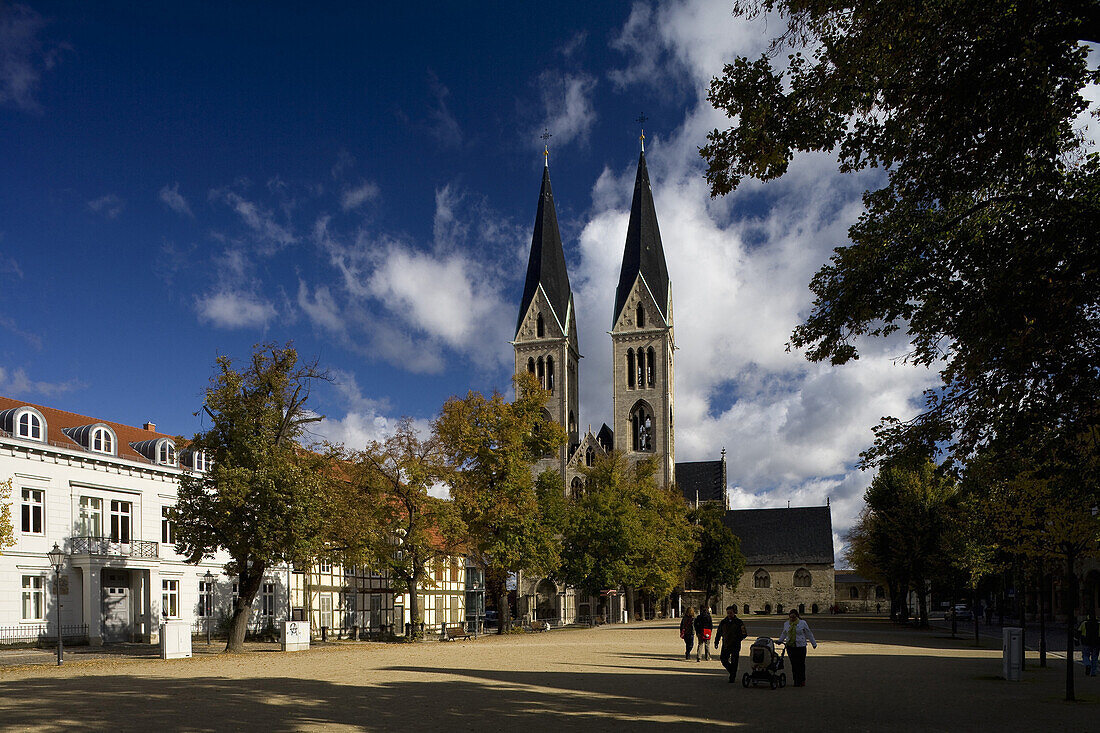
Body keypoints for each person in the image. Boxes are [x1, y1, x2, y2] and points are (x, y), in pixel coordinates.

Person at [779, 609, 817, 687]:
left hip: (801, 646)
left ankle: (802, 680)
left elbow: (808, 633)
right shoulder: (786, 624)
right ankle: (796, 680)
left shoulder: (802, 623)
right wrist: (780, 641)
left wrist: (814, 643)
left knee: (801, 664)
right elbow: (784, 633)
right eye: (791, 617)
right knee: (794, 664)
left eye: (794, 617)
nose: (792, 619)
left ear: (797, 616)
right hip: (790, 646)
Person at [714, 605, 748, 683]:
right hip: (726, 643)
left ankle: (732, 676)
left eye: (730, 613)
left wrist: (738, 639)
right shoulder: (723, 622)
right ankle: (732, 671)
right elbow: (719, 632)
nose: (729, 614)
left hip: (735, 644)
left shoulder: (739, 622)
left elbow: (744, 633)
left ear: (734, 613)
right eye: (728, 613)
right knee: (723, 659)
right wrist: (716, 641)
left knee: (734, 660)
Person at [1079, 612, 1100, 676]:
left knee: (1085, 655)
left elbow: (1078, 631)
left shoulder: (1084, 623)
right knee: (1095, 658)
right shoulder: (1099, 624)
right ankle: (1093, 673)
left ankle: (1088, 664)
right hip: (1096, 643)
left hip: (1086, 642)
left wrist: (1076, 640)